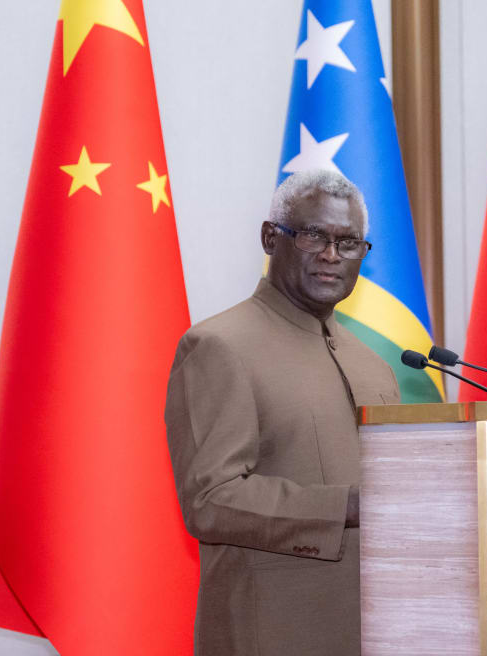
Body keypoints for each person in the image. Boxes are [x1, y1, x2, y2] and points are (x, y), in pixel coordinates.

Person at [164, 170, 401, 655]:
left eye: (349, 242)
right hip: (273, 632)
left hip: (378, 629)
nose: (332, 256)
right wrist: (347, 507)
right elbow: (211, 499)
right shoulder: (219, 347)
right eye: (315, 235)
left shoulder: (374, 365)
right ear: (272, 238)